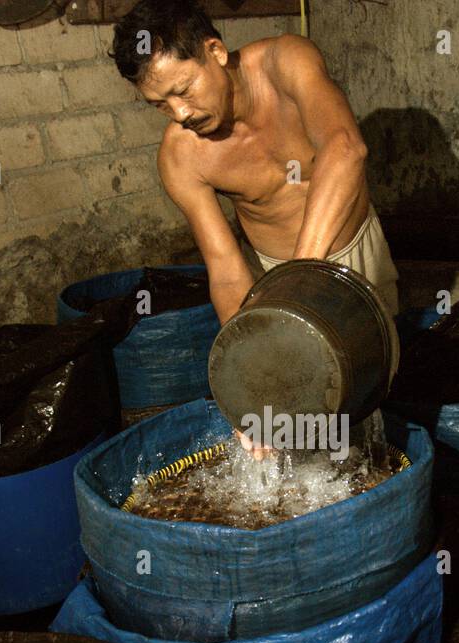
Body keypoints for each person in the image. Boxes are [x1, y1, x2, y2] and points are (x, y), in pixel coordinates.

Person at [110, 1, 400, 458]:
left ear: (216, 51)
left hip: (348, 252)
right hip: (271, 272)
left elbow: (345, 150)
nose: (179, 112)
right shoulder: (182, 157)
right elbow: (225, 267)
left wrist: (299, 286)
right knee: (297, 425)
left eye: (183, 89)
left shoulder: (287, 62)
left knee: (375, 400)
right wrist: (253, 370)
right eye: (160, 104)